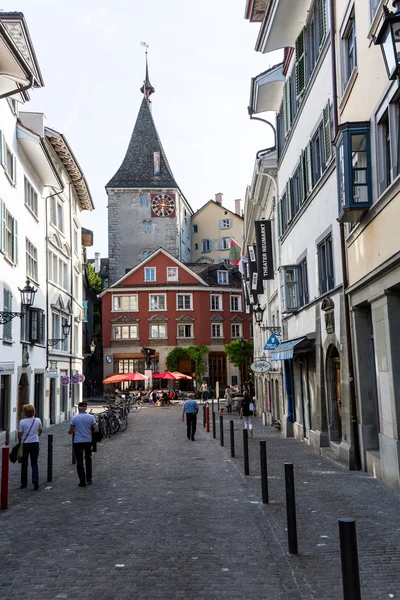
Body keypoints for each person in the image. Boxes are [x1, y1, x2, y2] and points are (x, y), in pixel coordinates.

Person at [68, 402, 99, 487]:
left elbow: (70, 431)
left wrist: (73, 431)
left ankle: (82, 481)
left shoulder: (75, 418)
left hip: (78, 441)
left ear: (78, 408)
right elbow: (96, 429)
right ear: (86, 408)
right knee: (88, 459)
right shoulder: (91, 417)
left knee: (80, 461)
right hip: (88, 441)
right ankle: (89, 478)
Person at [18, 404, 42, 491]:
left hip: (25, 444)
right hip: (35, 443)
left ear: (25, 412)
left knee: (24, 464)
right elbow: (40, 430)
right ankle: (35, 481)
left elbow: (20, 434)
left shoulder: (22, 422)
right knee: (34, 463)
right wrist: (37, 436)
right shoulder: (37, 420)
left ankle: (24, 483)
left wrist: (20, 443)